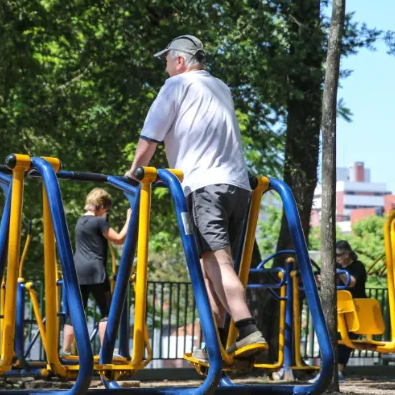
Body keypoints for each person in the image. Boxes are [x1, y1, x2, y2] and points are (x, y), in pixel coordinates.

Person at [124, 34, 267, 360]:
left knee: (218, 262)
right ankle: (214, 345)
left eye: (166, 60)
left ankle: (247, 328)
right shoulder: (220, 87)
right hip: (239, 187)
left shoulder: (176, 86)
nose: (164, 66)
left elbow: (150, 138)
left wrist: (134, 172)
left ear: (180, 60)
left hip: (205, 186)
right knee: (208, 267)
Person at [62, 188, 131, 355]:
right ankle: (106, 350)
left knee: (76, 310)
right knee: (106, 311)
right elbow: (119, 239)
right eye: (106, 209)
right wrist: (130, 218)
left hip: (77, 270)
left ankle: (65, 350)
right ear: (101, 206)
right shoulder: (99, 222)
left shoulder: (80, 222)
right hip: (95, 271)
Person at [334, 240, 368, 382]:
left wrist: (339, 272)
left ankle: (339, 371)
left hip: (356, 308)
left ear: (347, 254)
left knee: (347, 339)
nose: (337, 259)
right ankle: (333, 370)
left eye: (338, 255)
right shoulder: (337, 266)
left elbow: (352, 282)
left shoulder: (357, 266)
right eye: (335, 256)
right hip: (341, 308)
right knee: (336, 337)